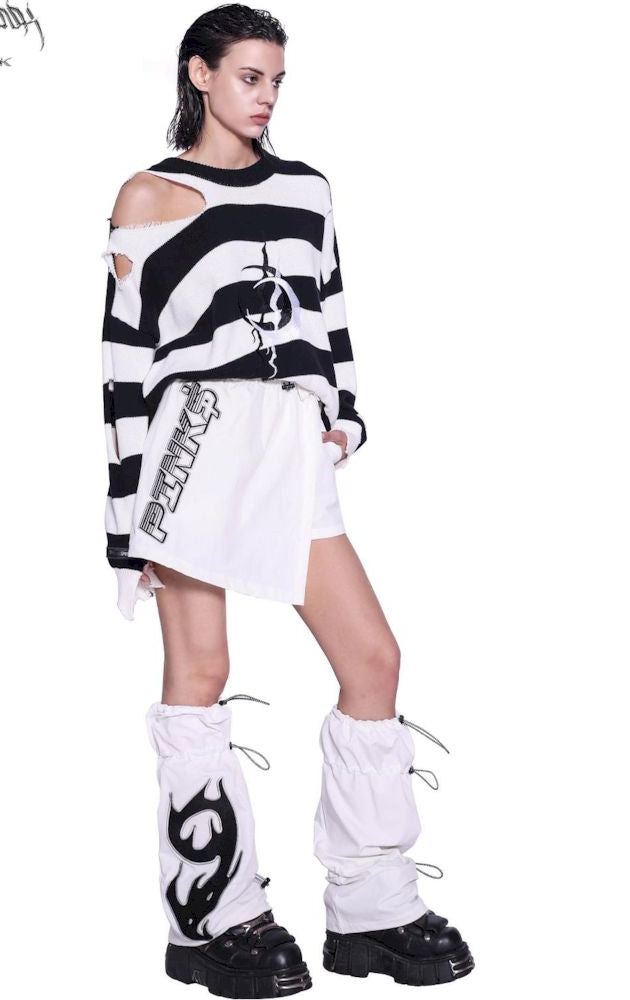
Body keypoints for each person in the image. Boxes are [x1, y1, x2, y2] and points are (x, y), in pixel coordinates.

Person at [100, 4, 474, 994]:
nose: (265, 96)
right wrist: (127, 517)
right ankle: (212, 919)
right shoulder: (149, 194)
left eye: (276, 80)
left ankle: (373, 906)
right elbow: (125, 364)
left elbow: (330, 312)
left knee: (372, 659)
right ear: (200, 74)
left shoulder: (308, 188)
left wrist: (343, 417)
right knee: (202, 669)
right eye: (248, 76)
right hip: (195, 440)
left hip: (289, 443)